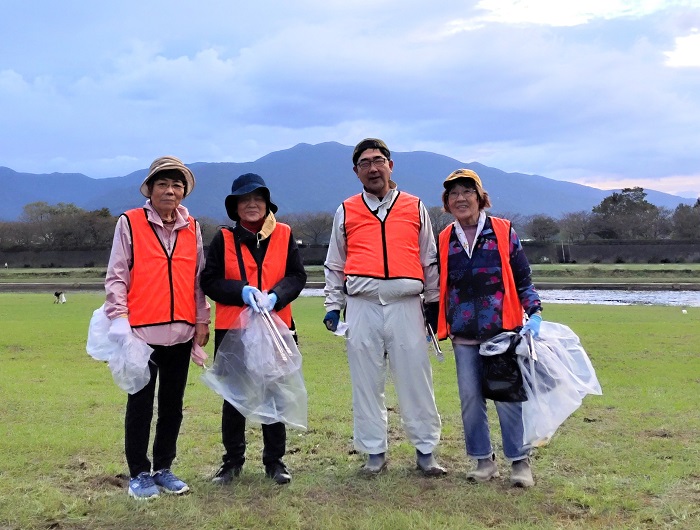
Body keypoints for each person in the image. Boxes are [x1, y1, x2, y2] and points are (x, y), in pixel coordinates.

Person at [323, 138, 445, 476]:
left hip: (407, 303)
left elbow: (429, 257)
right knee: (366, 380)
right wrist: (333, 305)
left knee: (415, 379)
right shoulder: (346, 210)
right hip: (361, 304)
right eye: (365, 163)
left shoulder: (414, 205)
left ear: (391, 165)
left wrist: (433, 302)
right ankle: (374, 451)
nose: (373, 168)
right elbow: (335, 263)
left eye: (379, 160)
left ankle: (425, 450)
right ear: (356, 171)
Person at [104, 156, 211, 499]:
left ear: (184, 192)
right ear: (149, 189)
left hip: (180, 332)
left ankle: (164, 467)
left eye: (177, 184)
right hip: (141, 333)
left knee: (172, 405)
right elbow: (117, 274)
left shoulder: (192, 226)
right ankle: (139, 472)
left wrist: (201, 320)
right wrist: (119, 319)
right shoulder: (130, 223)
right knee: (140, 405)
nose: (170, 190)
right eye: (162, 184)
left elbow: (198, 280)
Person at [436, 168, 542, 488]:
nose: (460, 198)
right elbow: (437, 285)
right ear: (447, 202)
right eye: (454, 193)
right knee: (470, 398)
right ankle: (483, 460)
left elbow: (523, 277)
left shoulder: (503, 230)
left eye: (467, 191)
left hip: (501, 332)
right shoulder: (444, 238)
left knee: (507, 397)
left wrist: (534, 313)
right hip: (463, 333)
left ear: (480, 198)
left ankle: (520, 462)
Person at [201, 173, 306, 485]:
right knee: (234, 398)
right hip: (234, 329)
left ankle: (275, 462)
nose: (251, 204)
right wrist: (241, 291)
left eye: (257, 198)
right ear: (235, 206)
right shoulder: (223, 239)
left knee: (274, 393)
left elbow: (297, 276)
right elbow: (209, 281)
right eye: (244, 200)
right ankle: (231, 463)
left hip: (278, 329)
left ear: (266, 203)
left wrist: (276, 296)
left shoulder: (285, 234)